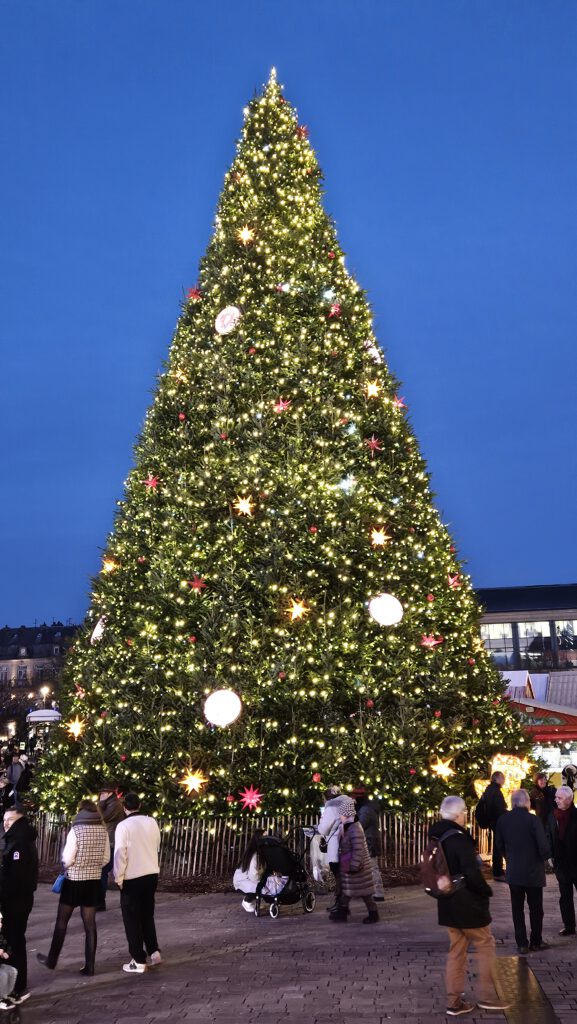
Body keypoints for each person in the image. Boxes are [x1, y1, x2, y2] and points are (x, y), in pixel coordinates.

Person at [430, 795, 509, 1017]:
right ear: (458, 814)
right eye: (464, 811)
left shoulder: (437, 836)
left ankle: (453, 1002)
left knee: (456, 951)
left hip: (447, 902)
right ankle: (488, 996)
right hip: (466, 902)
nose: (466, 815)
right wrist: (486, 890)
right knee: (486, 944)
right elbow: (471, 873)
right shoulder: (458, 838)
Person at [37, 799, 109, 976]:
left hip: (74, 880)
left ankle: (52, 960)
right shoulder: (103, 830)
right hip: (93, 881)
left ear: (80, 811)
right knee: (90, 925)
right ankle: (90, 966)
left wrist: (69, 864)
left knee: (62, 922)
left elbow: (68, 858)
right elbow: (106, 858)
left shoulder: (76, 830)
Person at [494, 788, 551, 953]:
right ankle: (536, 941)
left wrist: (508, 858)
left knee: (517, 908)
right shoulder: (533, 820)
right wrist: (546, 857)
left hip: (514, 871)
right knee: (536, 908)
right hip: (533, 871)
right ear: (527, 802)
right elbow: (543, 845)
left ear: (512, 802)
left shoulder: (503, 820)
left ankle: (521, 943)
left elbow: (499, 844)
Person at [114, 792, 161, 974]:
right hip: (151, 873)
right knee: (147, 914)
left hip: (132, 876)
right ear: (139, 805)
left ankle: (138, 959)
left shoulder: (123, 826)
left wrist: (118, 877)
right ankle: (154, 951)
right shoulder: (152, 822)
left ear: (124, 807)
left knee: (131, 918)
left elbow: (120, 853)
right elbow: (157, 844)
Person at [0, 807, 39, 1005]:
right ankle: (14, 984)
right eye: (5, 819)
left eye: (11, 819)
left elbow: (16, 878)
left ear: (20, 821)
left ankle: (15, 985)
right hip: (17, 900)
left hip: (16, 902)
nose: (6, 823)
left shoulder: (20, 843)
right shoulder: (17, 839)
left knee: (13, 941)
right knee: (14, 940)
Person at [329, 797, 379, 924]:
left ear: (346, 814)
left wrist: (355, 865)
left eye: (341, 814)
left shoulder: (355, 828)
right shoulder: (346, 826)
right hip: (348, 862)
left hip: (358, 866)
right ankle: (342, 912)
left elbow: (359, 849)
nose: (339, 816)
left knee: (365, 893)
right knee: (347, 891)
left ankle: (373, 913)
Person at [545, 785, 577, 936]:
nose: (556, 800)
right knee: (565, 896)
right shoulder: (552, 815)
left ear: (569, 800)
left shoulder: (576, 816)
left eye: (560, 798)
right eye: (556, 797)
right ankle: (569, 926)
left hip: (576, 862)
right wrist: (550, 856)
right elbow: (548, 836)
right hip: (561, 863)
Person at [318, 785, 350, 911]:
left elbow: (324, 828)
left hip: (336, 846)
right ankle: (342, 904)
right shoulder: (346, 802)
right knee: (344, 876)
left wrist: (320, 825)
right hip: (347, 845)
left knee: (338, 876)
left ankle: (340, 905)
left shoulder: (331, 806)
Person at [352, 785, 385, 902]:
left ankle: (378, 892)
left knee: (372, 867)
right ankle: (368, 891)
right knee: (366, 868)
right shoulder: (366, 808)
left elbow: (361, 825)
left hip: (369, 841)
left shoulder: (365, 809)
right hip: (369, 840)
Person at [97, 783, 124, 911]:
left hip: (112, 842)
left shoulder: (114, 805)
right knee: (109, 871)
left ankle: (100, 902)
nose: (101, 796)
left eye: (103, 793)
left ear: (109, 793)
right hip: (109, 841)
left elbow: (102, 817)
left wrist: (101, 803)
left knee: (106, 872)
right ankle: (101, 901)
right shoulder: (111, 803)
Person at [480, 771, 508, 880]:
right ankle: (498, 872)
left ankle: (498, 871)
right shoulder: (495, 791)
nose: (504, 780)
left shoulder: (490, 789)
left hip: (494, 821)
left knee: (497, 845)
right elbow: (498, 808)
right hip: (497, 822)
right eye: (502, 777)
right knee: (498, 846)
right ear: (496, 779)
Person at [233, 829, 265, 911]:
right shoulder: (255, 855)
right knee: (262, 888)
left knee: (264, 887)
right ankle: (247, 901)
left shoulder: (260, 853)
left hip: (249, 877)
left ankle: (256, 901)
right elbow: (253, 875)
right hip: (244, 879)